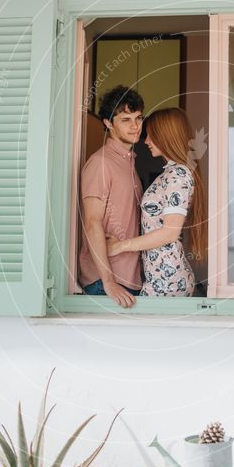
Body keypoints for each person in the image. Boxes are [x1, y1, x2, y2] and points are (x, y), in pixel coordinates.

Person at [107, 108, 207, 297]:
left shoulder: (178, 175)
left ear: (166, 136)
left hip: (167, 282)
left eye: (151, 136)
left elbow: (169, 233)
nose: (146, 142)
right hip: (160, 278)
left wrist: (120, 246)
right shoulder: (171, 173)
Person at [78, 85, 144, 308]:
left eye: (138, 118)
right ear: (108, 123)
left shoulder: (129, 163)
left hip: (129, 277)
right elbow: (91, 222)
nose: (135, 126)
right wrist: (108, 282)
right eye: (126, 119)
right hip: (106, 282)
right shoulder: (101, 163)